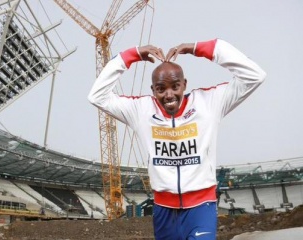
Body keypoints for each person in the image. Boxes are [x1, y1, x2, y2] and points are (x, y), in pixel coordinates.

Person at [88, 39, 266, 239]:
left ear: (185, 84)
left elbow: (255, 75)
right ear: (153, 90)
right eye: (161, 88)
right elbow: (97, 96)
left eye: (175, 86)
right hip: (164, 211)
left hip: (201, 209)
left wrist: (198, 48)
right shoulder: (141, 111)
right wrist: (131, 55)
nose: (169, 94)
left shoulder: (209, 103)